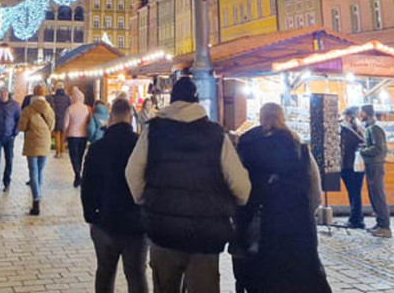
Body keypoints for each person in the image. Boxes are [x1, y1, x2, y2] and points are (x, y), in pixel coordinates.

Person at [125, 77, 250, 293]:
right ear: (197, 102)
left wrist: (145, 200)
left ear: (171, 100)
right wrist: (238, 202)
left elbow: (132, 172)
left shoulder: (153, 131)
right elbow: (241, 185)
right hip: (206, 234)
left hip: (163, 231)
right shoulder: (215, 134)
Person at [234, 103, 330, 293]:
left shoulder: (247, 144)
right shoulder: (298, 146)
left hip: (258, 226)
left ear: (261, 118)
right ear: (282, 117)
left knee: (261, 279)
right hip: (295, 226)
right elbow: (314, 191)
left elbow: (238, 185)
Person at [81, 98, 147, 293]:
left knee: (105, 272)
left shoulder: (97, 148)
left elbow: (87, 186)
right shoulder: (140, 146)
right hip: (136, 223)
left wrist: (91, 216)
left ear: (111, 117)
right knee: (136, 275)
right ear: (130, 117)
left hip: (104, 222)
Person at [18, 83, 55, 216]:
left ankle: (36, 200)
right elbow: (52, 125)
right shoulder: (48, 108)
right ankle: (38, 194)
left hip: (32, 142)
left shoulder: (28, 109)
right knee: (40, 170)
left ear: (33, 93)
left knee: (33, 171)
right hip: (45, 142)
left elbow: (22, 126)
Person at [358, 103, 391, 237]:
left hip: (375, 165)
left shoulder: (375, 128)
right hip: (372, 165)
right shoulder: (370, 128)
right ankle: (380, 223)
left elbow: (378, 148)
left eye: (362, 113)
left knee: (378, 195)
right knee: (373, 195)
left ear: (367, 113)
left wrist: (362, 151)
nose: (360, 115)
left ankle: (385, 226)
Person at [0, 87, 21, 196]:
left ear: (8, 93)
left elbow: (19, 120)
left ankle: (7, 182)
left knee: (9, 160)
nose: (3, 94)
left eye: (5, 93)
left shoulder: (15, 105)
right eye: (1, 93)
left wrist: (15, 133)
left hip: (9, 137)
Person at [339, 106, 366, 230]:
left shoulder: (348, 130)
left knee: (354, 193)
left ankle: (356, 219)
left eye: (345, 115)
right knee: (355, 193)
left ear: (349, 117)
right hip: (355, 165)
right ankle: (356, 217)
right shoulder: (358, 129)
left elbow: (353, 144)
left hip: (349, 166)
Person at [63, 86, 91, 187]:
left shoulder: (70, 109)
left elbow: (66, 124)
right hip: (83, 135)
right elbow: (88, 122)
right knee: (80, 155)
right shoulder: (87, 109)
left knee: (73, 156)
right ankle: (79, 173)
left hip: (72, 135)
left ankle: (77, 174)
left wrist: (64, 135)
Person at [50, 83, 71, 158]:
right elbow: (69, 107)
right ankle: (62, 151)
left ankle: (58, 152)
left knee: (57, 136)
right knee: (63, 136)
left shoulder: (54, 97)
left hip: (57, 118)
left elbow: (52, 108)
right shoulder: (67, 97)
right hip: (65, 117)